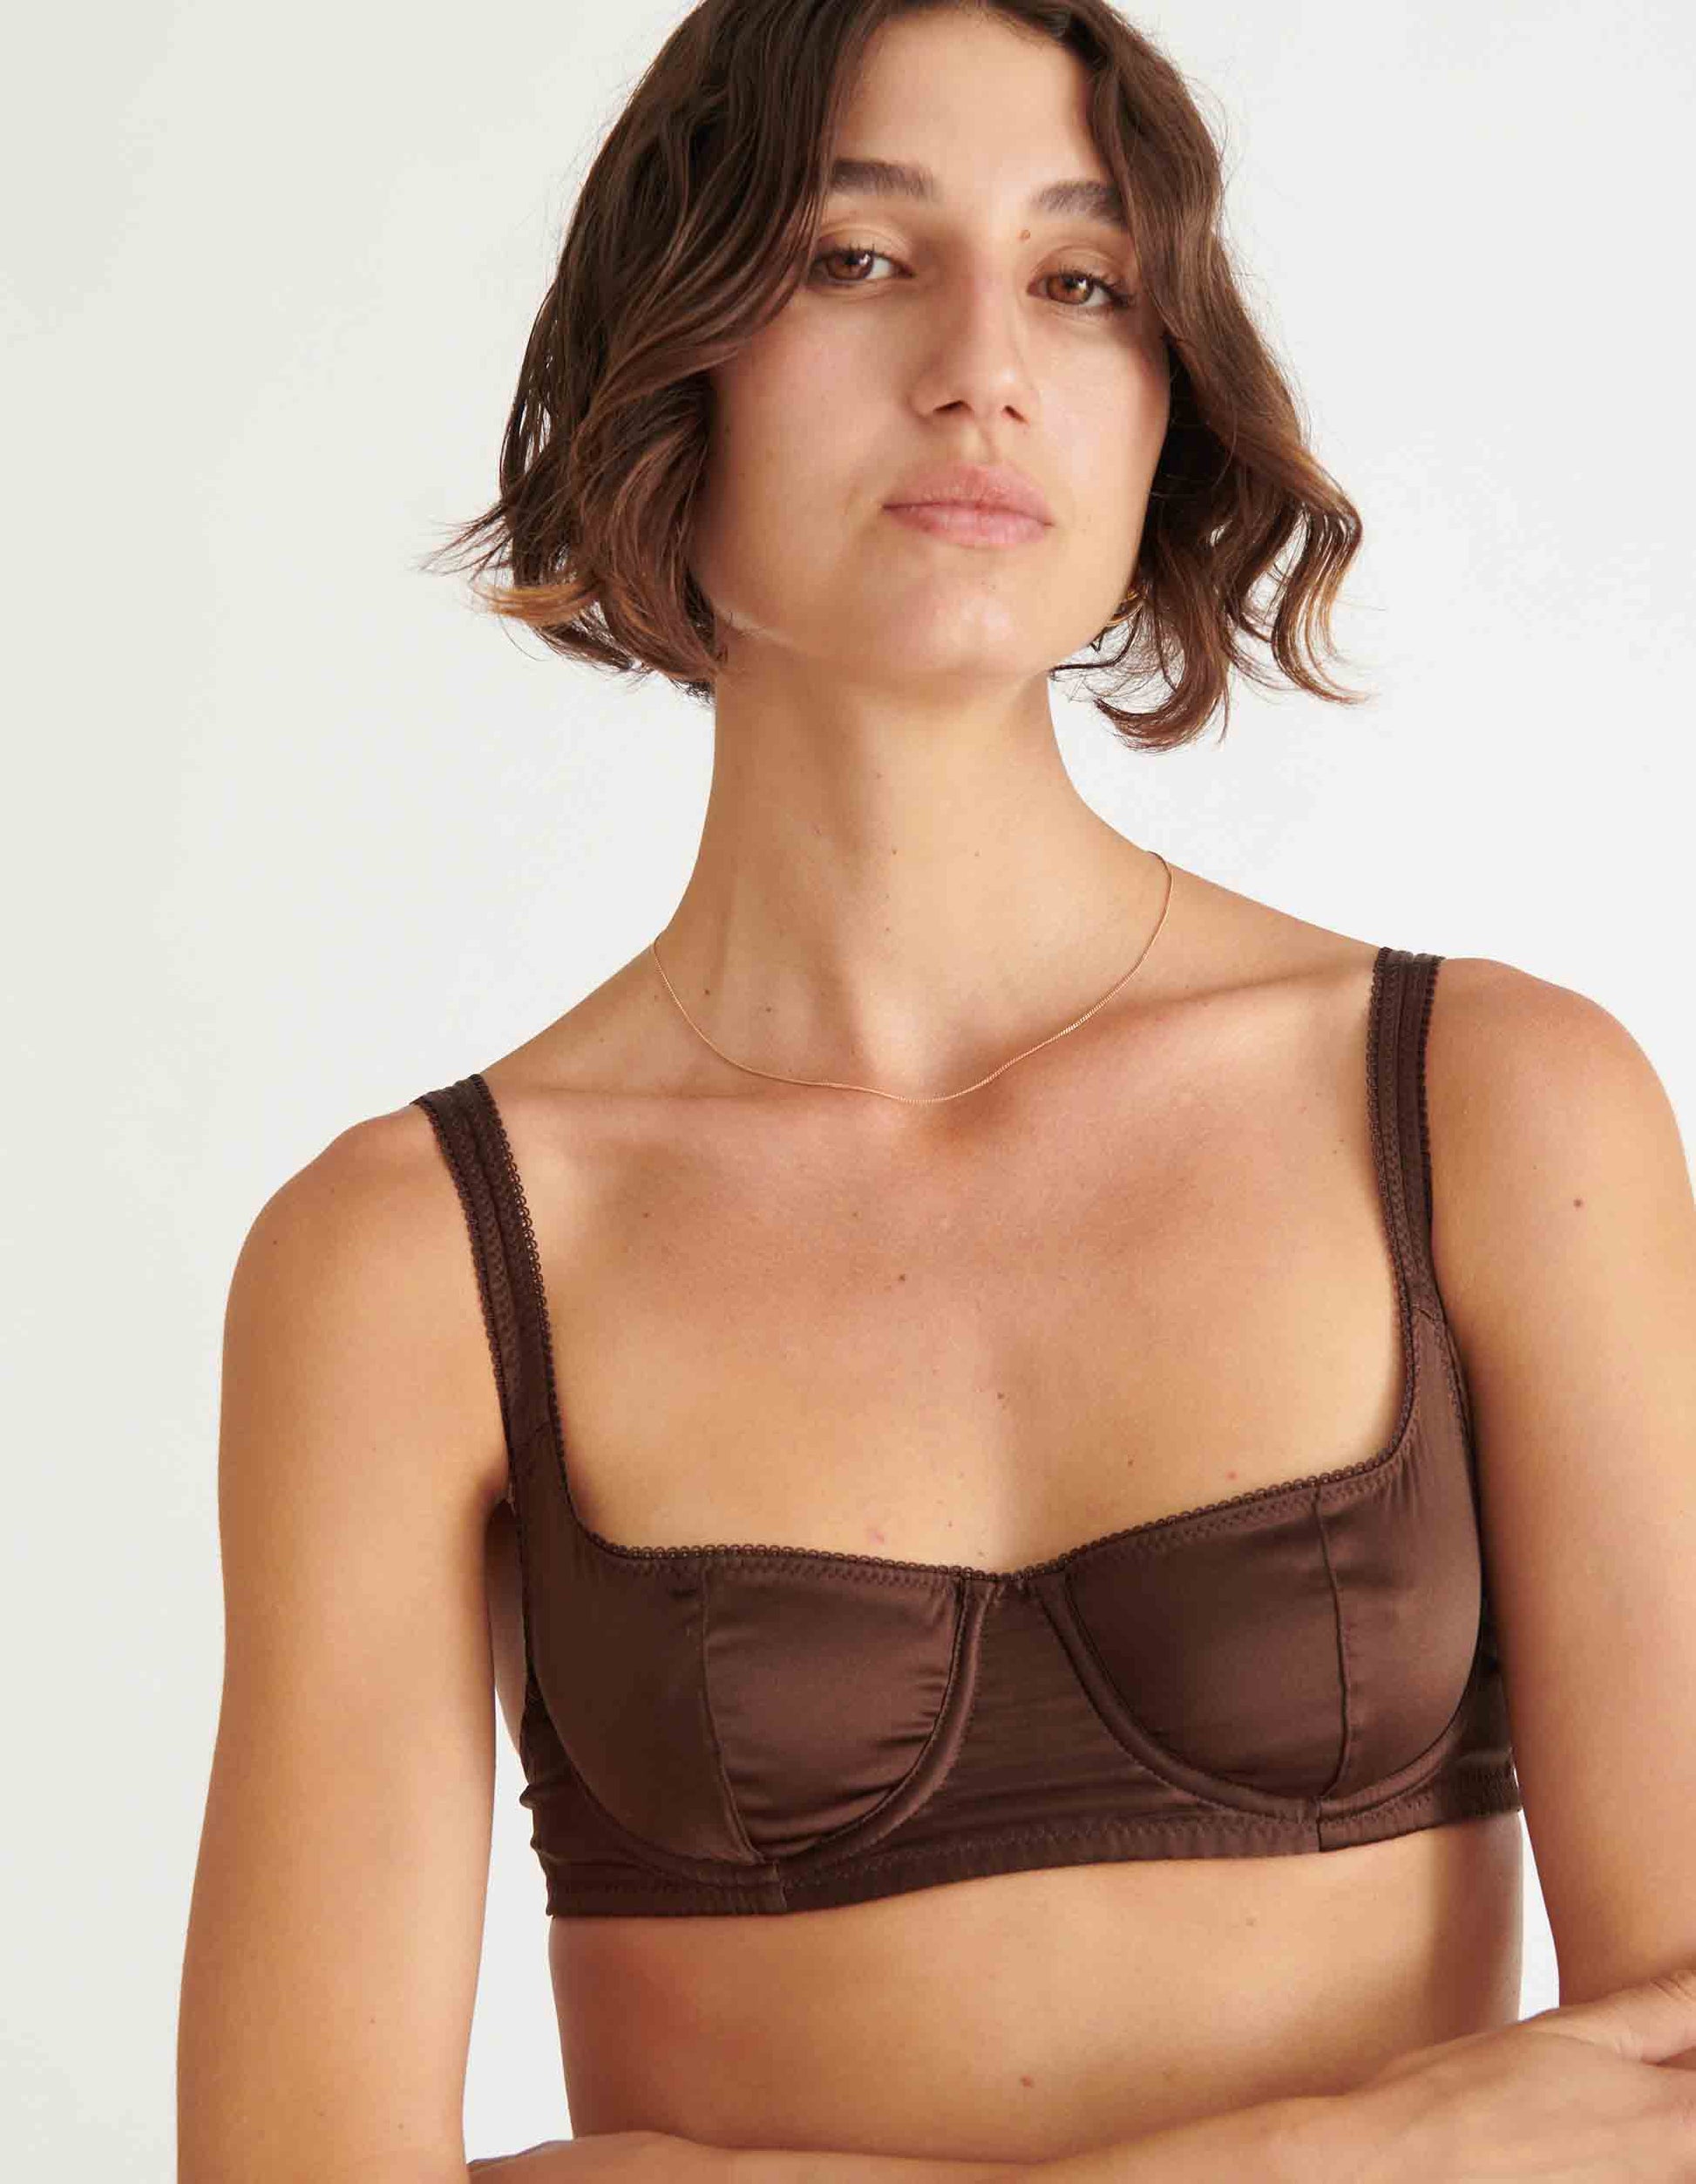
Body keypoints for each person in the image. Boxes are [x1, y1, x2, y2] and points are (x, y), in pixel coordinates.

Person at [176, 2, 1696, 2179]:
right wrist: (1354, 2151)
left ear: (1164, 401)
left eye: (1081, 280)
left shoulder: (1495, 1110)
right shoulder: (414, 1262)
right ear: (669, 354)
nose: (985, 366)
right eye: (858, 257)